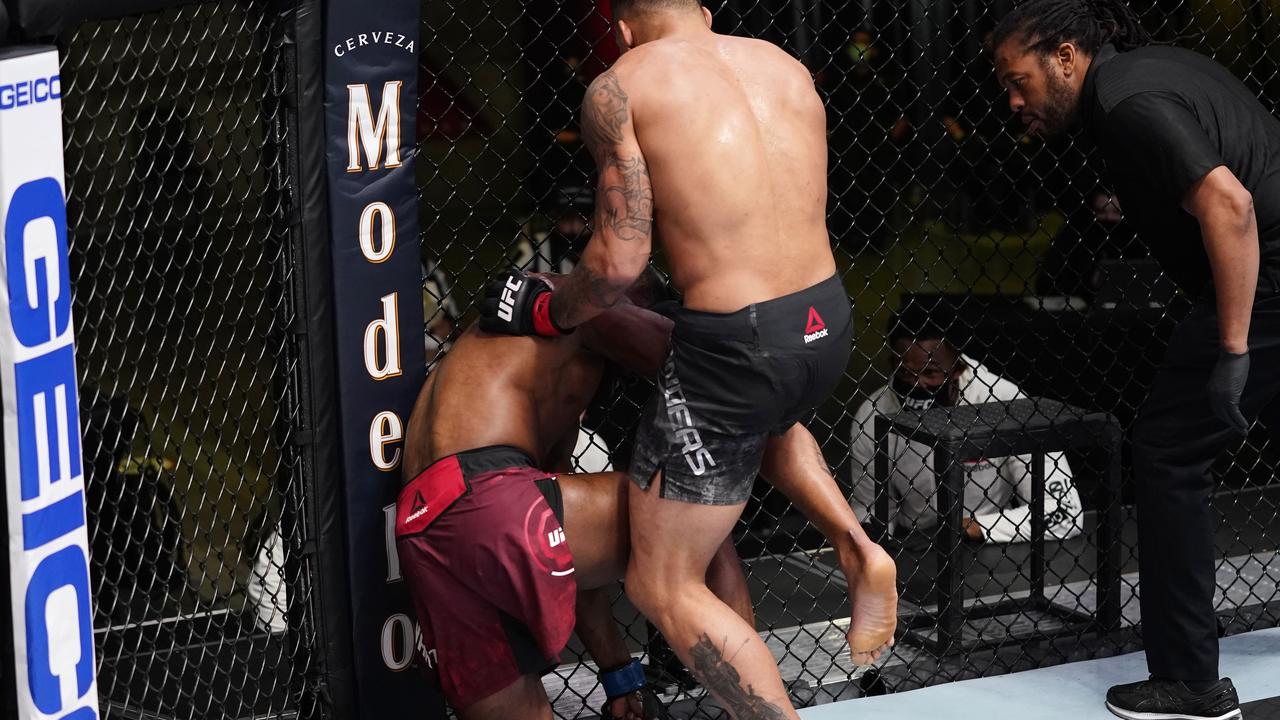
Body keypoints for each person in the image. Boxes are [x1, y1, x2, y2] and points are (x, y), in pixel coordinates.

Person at [475, 2, 865, 715]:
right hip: (827, 321)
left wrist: (549, 307)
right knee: (762, 414)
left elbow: (620, 263)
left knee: (662, 582)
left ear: (621, 28)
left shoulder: (621, 86)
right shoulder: (784, 65)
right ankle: (858, 545)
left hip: (740, 343)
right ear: (706, 12)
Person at [399, 273, 898, 720]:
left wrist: (618, 672)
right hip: (494, 494)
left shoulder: (506, 368)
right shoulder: (583, 306)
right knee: (689, 509)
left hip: (429, 526)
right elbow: (731, 392)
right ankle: (760, 690)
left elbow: (555, 544)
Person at [993, 2, 1280, 717]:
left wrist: (1235, 344)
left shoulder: (1127, 99)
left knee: (1169, 453)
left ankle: (1189, 681)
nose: (1013, 101)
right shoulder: (1151, 74)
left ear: (1064, 56)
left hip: (1266, 279)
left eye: (1017, 79)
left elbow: (1229, 204)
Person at [850, 313, 1083, 544]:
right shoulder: (873, 415)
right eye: (904, 371)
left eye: (930, 372)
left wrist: (974, 528)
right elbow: (871, 510)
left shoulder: (1004, 402)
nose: (915, 383)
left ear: (958, 368)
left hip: (991, 539)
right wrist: (873, 542)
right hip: (914, 542)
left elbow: (1065, 512)